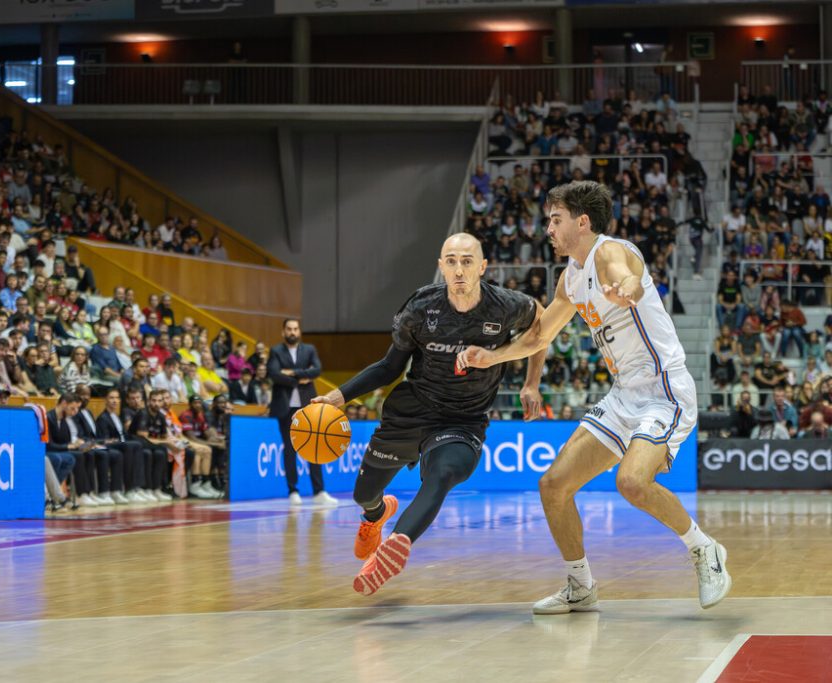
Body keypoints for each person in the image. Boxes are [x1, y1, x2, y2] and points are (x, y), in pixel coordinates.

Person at [457, 181, 731, 613]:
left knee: (632, 481)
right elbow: (541, 335)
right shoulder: (570, 280)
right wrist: (491, 358)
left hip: (665, 391)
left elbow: (629, 277)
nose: (547, 228)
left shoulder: (608, 252)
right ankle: (580, 585)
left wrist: (629, 290)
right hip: (624, 396)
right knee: (553, 486)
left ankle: (704, 549)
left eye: (555, 219)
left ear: (582, 222)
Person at [312, 232, 542, 595]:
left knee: (442, 474)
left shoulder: (506, 306)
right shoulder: (421, 308)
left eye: (467, 260)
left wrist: (532, 382)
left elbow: (540, 326)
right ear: (441, 267)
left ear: (482, 267)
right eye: (451, 261)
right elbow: (390, 367)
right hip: (413, 410)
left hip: (464, 419)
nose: (459, 269)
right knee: (363, 494)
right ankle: (376, 515)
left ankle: (393, 548)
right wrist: (340, 396)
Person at [268, 318, 335, 506]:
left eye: (295, 329)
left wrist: (291, 372)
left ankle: (319, 491)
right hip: (285, 407)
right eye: (289, 329)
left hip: (307, 407)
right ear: (283, 332)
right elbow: (273, 373)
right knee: (289, 450)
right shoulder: (275, 351)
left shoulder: (309, 350)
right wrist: (300, 377)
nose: (292, 332)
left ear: (299, 331)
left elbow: (317, 370)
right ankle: (293, 491)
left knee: (314, 448)